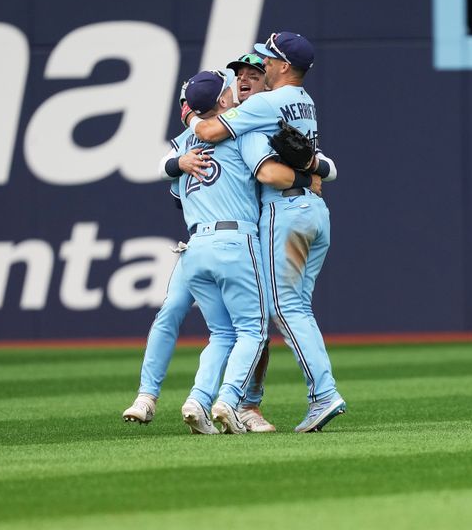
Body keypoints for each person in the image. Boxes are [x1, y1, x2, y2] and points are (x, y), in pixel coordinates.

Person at [183, 32, 345, 433]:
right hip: (312, 211)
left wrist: (189, 111)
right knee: (294, 308)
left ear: (283, 67)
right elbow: (323, 167)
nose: (261, 67)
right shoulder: (304, 102)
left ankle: (323, 395)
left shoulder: (264, 105)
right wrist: (313, 175)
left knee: (283, 308)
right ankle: (265, 402)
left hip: (284, 211)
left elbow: (209, 134)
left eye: (266, 62)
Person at [121, 55, 276, 432]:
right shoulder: (243, 130)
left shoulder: (183, 144)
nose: (235, 88)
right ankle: (228, 400)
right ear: (222, 101)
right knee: (252, 331)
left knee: (214, 330)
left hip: (196, 245)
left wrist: (179, 159)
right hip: (236, 239)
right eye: (228, 86)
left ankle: (193, 400)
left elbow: (172, 184)